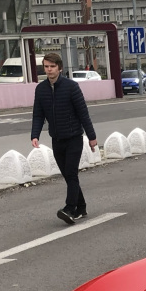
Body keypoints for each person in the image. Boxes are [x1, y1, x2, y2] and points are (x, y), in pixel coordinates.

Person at [30, 52, 97, 224]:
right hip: (57, 139)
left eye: (52, 66)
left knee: (71, 173)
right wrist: (35, 135)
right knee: (68, 175)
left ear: (60, 68)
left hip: (74, 137)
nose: (49, 70)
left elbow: (83, 113)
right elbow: (38, 115)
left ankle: (69, 208)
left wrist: (92, 137)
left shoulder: (71, 87)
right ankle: (81, 207)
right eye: (46, 66)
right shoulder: (41, 89)